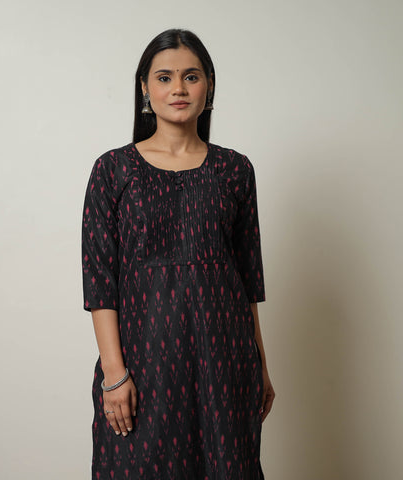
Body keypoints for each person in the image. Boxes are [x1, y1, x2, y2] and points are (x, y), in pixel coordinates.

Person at [81, 28, 275, 479]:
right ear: (145, 88)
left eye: (191, 76)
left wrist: (261, 365)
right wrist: (114, 373)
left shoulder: (234, 169)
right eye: (164, 77)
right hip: (143, 360)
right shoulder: (113, 170)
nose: (179, 89)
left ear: (209, 86)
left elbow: (247, 277)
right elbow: (100, 281)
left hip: (225, 360)